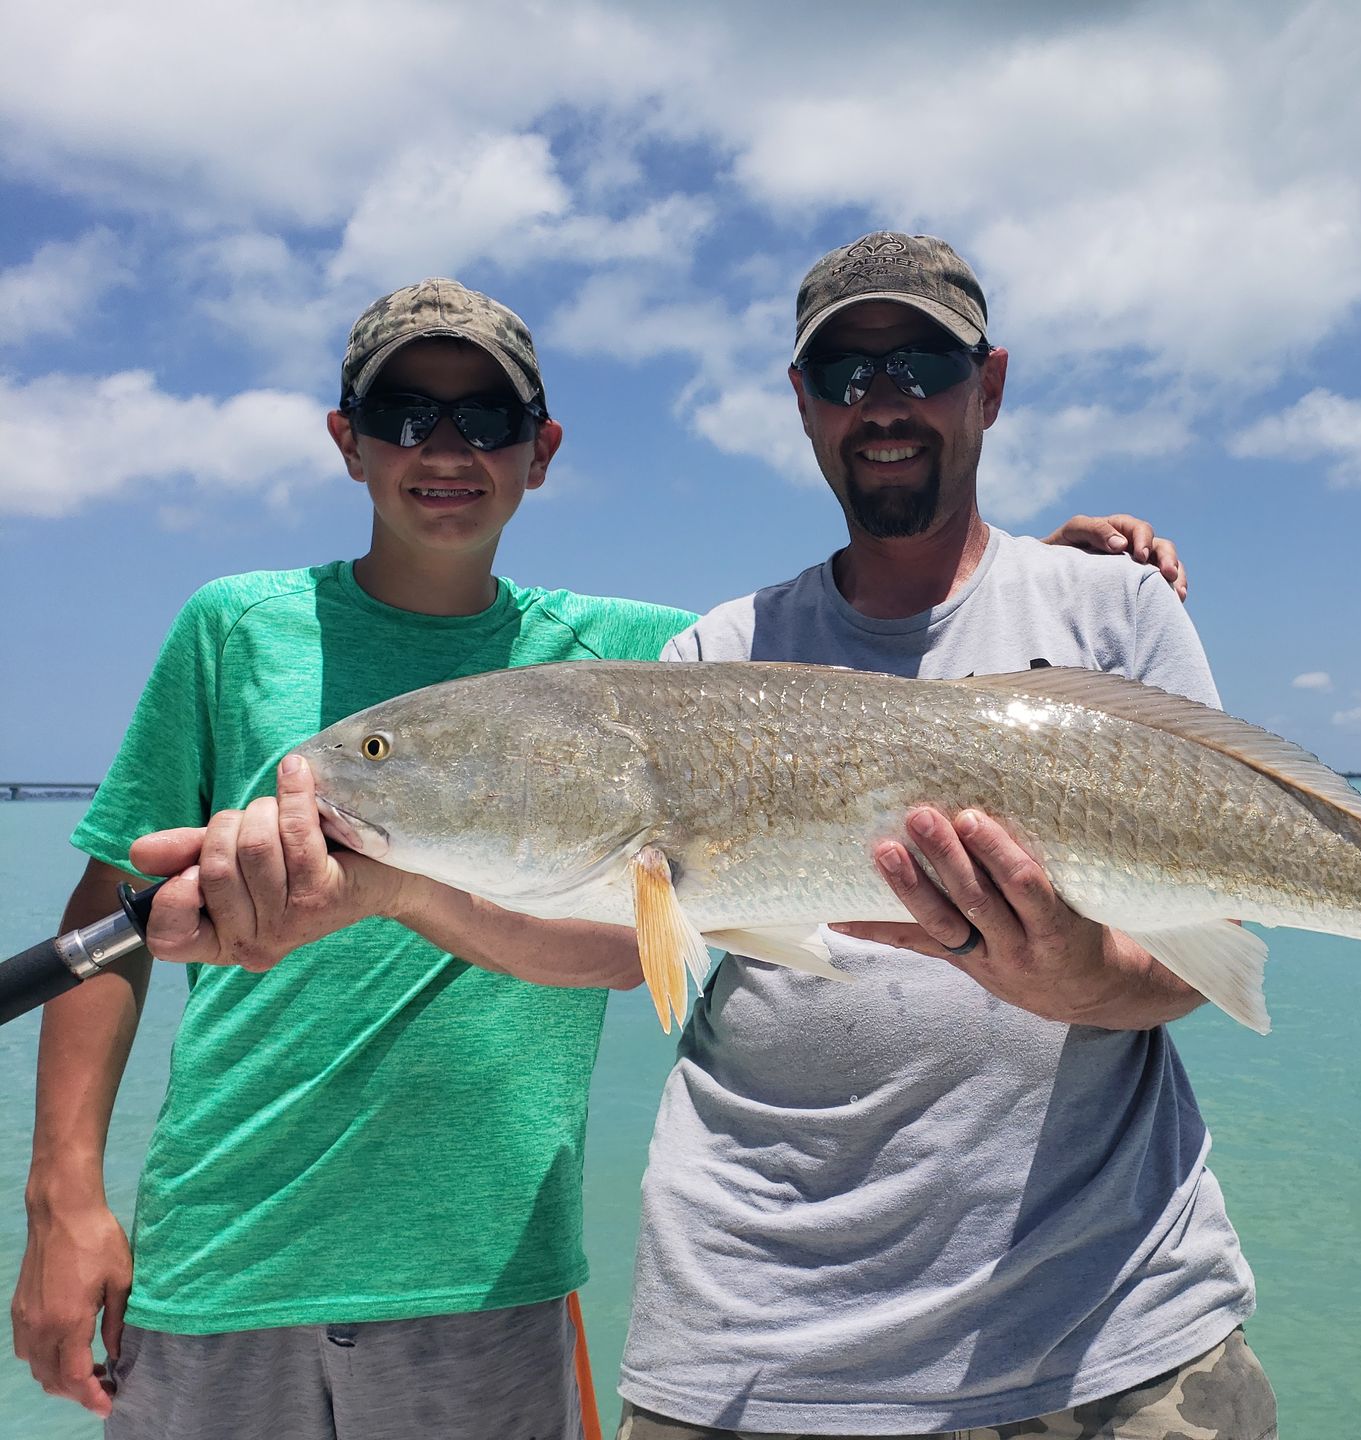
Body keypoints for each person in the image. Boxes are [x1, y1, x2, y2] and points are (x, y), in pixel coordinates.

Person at [9, 274, 1179, 1440]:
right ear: (347, 441)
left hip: (487, 1263)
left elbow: (826, 693)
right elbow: (106, 909)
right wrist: (64, 1200)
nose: (448, 447)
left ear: (543, 448)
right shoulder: (234, 629)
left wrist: (1056, 592)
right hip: (222, 1245)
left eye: (490, 419)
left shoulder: (629, 657)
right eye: (406, 414)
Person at [614, 233, 1276, 1438]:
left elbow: (1205, 943)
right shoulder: (709, 657)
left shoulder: (1115, 605)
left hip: (1112, 1338)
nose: (885, 403)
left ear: (992, 384)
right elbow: (611, 936)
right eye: (845, 375)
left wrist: (1081, 977)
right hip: (753, 1349)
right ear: (803, 406)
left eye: (921, 361)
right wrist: (383, 887)